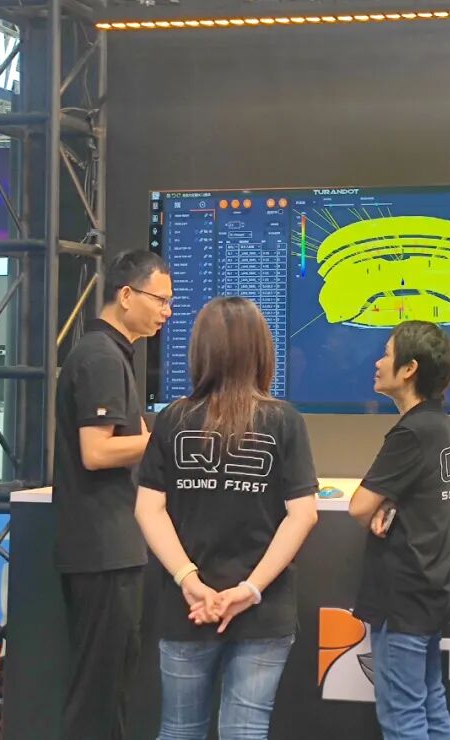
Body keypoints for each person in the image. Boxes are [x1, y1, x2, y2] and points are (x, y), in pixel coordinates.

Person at [135, 296, 320, 739]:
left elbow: (148, 508)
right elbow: (302, 514)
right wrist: (250, 590)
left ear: (200, 350)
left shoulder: (173, 419)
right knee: (245, 730)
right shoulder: (284, 421)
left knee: (179, 730)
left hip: (189, 607)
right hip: (263, 609)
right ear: (262, 351)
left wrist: (189, 580)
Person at [53, 249, 172, 739]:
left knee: (110, 688)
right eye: (159, 300)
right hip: (102, 549)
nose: (167, 311)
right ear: (126, 295)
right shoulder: (101, 356)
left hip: (111, 547)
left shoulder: (112, 354)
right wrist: (166, 438)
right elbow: (97, 452)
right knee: (98, 695)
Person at [349, 320, 450, 740]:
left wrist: (381, 502)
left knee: (402, 718)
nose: (378, 363)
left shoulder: (411, 432)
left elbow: (359, 506)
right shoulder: (441, 425)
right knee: (430, 706)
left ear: (409, 368)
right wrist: (391, 500)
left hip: (403, 599)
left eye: (386, 353)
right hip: (430, 592)